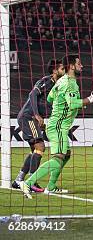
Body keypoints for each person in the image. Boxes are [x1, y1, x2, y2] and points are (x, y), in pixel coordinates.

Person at [19, 55, 93, 197]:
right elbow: (72, 103)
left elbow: (50, 98)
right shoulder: (69, 83)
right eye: (79, 64)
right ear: (71, 66)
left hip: (57, 124)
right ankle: (28, 183)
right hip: (59, 126)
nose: (81, 66)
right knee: (58, 157)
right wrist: (91, 98)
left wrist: (62, 105)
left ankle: (51, 186)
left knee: (66, 155)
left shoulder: (61, 81)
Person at [13, 59, 65, 192]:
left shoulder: (56, 85)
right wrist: (36, 115)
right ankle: (32, 182)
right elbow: (32, 94)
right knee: (40, 146)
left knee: (35, 151)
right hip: (28, 116)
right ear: (55, 71)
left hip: (31, 118)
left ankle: (19, 180)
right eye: (62, 69)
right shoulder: (47, 81)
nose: (64, 71)